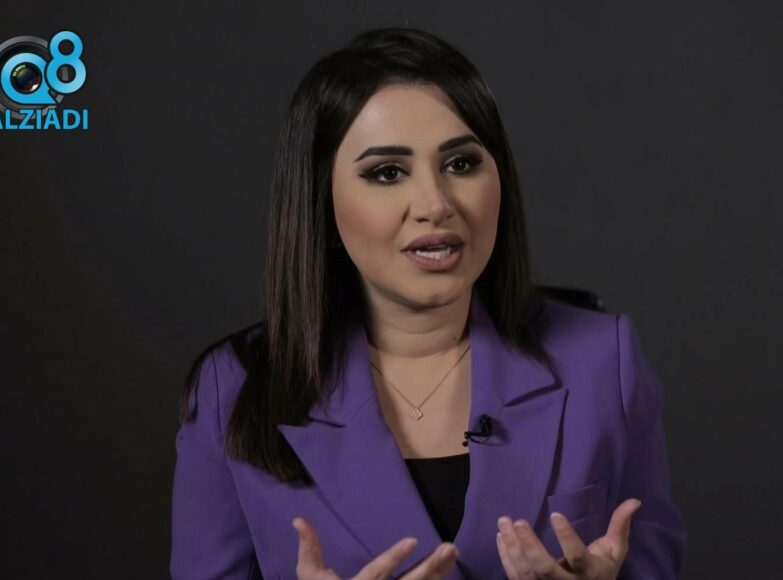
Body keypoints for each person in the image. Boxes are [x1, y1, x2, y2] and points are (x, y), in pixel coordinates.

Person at [170, 26, 686, 579]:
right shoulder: (232, 391)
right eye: (387, 173)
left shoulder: (603, 361)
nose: (435, 204)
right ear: (321, 202)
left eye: (461, 164)